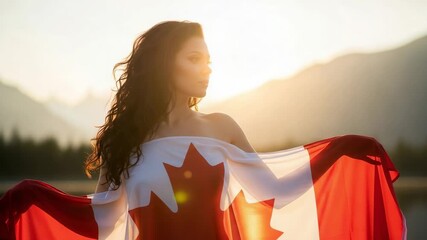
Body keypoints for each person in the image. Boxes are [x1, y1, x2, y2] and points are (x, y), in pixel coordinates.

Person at [0, 20, 406, 240]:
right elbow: (100, 218)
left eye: (209, 60)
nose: (207, 68)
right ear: (165, 65)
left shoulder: (222, 128)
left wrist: (341, 151)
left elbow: (278, 190)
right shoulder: (125, 140)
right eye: (194, 58)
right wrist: (33, 196)